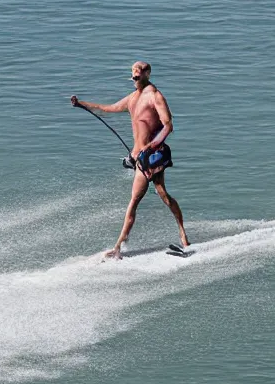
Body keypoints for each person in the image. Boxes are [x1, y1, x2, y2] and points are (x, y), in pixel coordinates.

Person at [71, 61, 189, 258]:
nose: (136, 76)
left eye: (140, 72)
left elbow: (168, 125)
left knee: (147, 198)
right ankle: (123, 245)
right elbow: (107, 108)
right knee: (154, 196)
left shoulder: (155, 96)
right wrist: (81, 104)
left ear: (148, 74)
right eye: (134, 73)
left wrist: (152, 146)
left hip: (152, 157)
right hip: (139, 158)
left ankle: (123, 246)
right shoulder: (133, 98)